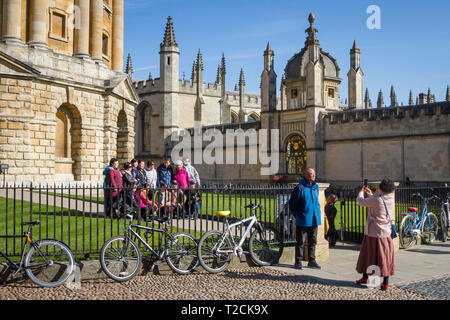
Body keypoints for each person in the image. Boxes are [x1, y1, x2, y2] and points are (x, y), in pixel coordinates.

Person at [355, 178, 396, 291]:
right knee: (385, 257)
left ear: (381, 188)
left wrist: (361, 192)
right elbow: (378, 202)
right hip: (385, 232)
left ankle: (372, 281)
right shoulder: (391, 198)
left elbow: (361, 201)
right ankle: (384, 282)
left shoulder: (376, 199)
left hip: (374, 232)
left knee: (371, 256)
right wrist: (371, 195)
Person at [289, 167, 321, 270]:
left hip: (314, 219)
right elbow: (292, 205)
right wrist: (298, 215)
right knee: (300, 242)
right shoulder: (300, 188)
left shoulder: (315, 187)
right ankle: (298, 261)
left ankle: (312, 261)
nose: (314, 176)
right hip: (303, 220)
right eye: (312, 174)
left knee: (313, 241)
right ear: (306, 175)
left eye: (314, 174)